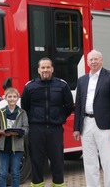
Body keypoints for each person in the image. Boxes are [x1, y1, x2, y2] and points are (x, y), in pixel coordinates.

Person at [21, 57, 74, 187]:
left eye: (48, 67)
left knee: (57, 161)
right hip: (36, 129)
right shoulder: (30, 86)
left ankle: (58, 184)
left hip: (55, 129)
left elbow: (68, 106)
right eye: (43, 68)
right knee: (36, 161)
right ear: (38, 70)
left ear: (52, 69)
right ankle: (37, 184)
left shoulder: (62, 85)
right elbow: (24, 107)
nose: (45, 70)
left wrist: (59, 118)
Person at [73, 49, 110, 187]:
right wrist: (76, 128)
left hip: (105, 126)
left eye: (96, 59)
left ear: (101, 60)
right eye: (91, 60)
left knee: (108, 161)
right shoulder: (82, 80)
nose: (93, 62)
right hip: (86, 124)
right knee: (89, 161)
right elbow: (79, 105)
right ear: (87, 62)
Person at [0, 87, 29, 187]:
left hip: (17, 148)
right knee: (2, 173)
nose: (12, 99)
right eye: (9, 96)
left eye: (14, 96)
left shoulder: (22, 113)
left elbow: (26, 128)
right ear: (5, 98)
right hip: (3, 147)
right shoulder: (1, 112)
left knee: (15, 173)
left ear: (18, 97)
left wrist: (19, 132)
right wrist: (1, 132)